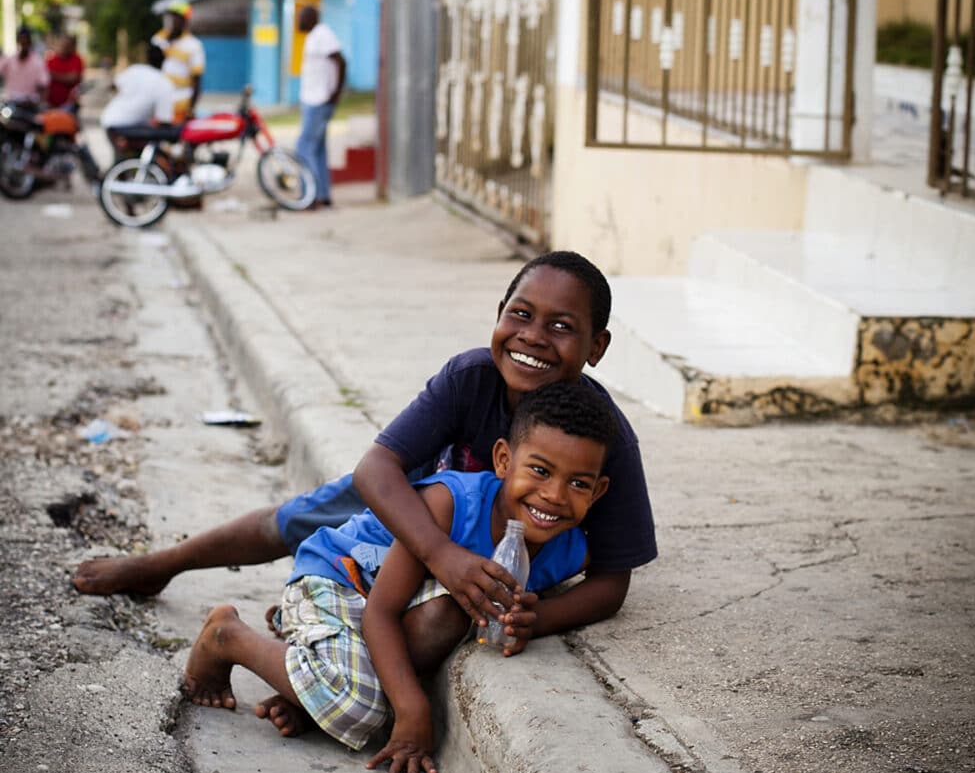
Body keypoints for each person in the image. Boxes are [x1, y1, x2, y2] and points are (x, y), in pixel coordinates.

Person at [73, 250, 657, 641]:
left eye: (561, 326)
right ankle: (163, 564)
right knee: (300, 518)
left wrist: (542, 617)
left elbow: (612, 580)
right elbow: (377, 469)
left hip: (490, 548)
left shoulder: (604, 440)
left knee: (424, 619)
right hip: (419, 511)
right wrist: (440, 554)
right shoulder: (470, 377)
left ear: (597, 346)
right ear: (498, 316)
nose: (533, 337)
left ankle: (311, 633)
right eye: (521, 314)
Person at [182, 381, 616, 773]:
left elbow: (603, 592)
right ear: (503, 460)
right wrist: (411, 710)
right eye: (539, 471)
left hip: (388, 610)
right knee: (360, 707)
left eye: (577, 483)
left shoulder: (569, 550)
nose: (555, 496)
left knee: (446, 617)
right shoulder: (449, 503)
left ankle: (307, 690)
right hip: (339, 577)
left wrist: (531, 621)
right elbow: (381, 612)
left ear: (597, 493)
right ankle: (228, 636)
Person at [295, 3, 345, 209]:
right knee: (318, 149)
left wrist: (335, 93)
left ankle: (311, 196)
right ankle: (323, 195)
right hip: (314, 99)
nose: (298, 21)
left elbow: (341, 62)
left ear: (312, 18)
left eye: (301, 17)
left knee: (304, 147)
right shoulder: (313, 37)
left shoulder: (322, 34)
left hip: (320, 100)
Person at [100, 43, 175, 149]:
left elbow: (113, 86)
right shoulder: (164, 83)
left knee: (122, 161)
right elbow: (164, 120)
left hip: (108, 120)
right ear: (164, 62)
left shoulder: (135, 70)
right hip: (128, 128)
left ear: (147, 58)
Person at [152, 0, 205, 119]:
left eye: (178, 17)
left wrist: (191, 110)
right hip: (159, 102)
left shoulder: (193, 45)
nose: (174, 20)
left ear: (185, 20)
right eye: (172, 16)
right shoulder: (158, 40)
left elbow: (197, 81)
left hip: (181, 104)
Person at [0, 27, 49, 104]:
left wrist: (41, 101)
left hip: (29, 103)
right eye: (21, 42)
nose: (22, 45)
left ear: (29, 43)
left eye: (25, 42)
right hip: (10, 102)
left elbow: (43, 84)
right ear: (17, 42)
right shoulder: (9, 59)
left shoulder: (38, 62)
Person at [45, 33, 84, 110]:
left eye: (67, 45)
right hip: (50, 103)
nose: (64, 47)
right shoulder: (51, 60)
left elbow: (73, 78)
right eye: (62, 44)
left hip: (69, 104)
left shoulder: (76, 59)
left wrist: (53, 75)